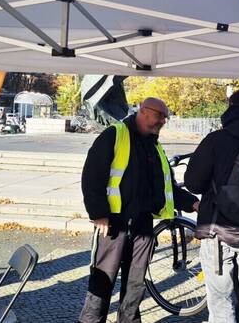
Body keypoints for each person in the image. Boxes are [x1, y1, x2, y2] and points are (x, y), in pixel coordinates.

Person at [78, 97, 199, 323]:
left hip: (143, 224)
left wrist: (193, 203)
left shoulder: (154, 146)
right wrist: (99, 214)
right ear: (143, 112)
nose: (163, 121)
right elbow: (92, 175)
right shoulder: (115, 134)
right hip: (113, 224)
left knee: (135, 282)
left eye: (165, 117)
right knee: (103, 280)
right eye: (160, 115)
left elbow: (167, 187)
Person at [184, 89, 239, 323]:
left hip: (218, 231)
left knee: (221, 301)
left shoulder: (216, 140)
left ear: (231, 107)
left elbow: (193, 183)